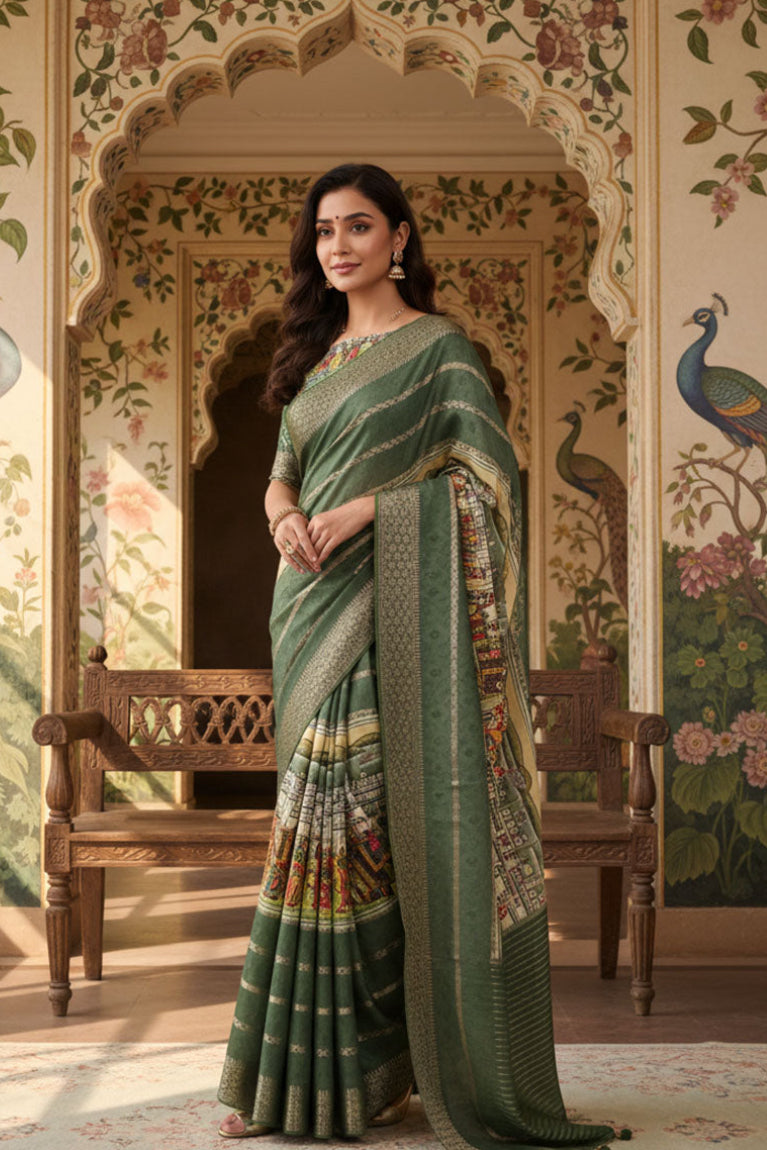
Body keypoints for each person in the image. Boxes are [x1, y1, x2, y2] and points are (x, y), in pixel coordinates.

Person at [217, 163, 620, 1150]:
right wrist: (282, 521)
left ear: (399, 239)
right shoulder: (311, 360)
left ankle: (381, 1077)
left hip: (395, 604)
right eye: (323, 231)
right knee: (315, 837)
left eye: (358, 227)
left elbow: (487, 489)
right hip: (310, 606)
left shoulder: (439, 351)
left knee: (364, 832)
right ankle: (298, 1091)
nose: (338, 245)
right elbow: (280, 477)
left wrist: (369, 509)